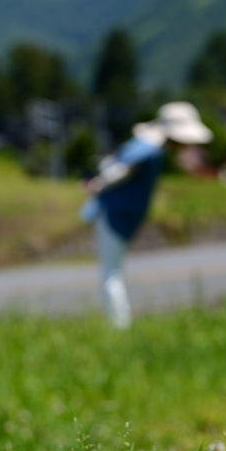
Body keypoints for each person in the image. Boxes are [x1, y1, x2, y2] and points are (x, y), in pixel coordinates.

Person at [82, 101, 212, 328]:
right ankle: (119, 324)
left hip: (119, 214)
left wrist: (98, 182)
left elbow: (121, 168)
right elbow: (122, 169)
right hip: (117, 213)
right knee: (113, 272)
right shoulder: (149, 148)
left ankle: (119, 325)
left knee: (112, 272)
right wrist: (100, 182)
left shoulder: (152, 148)